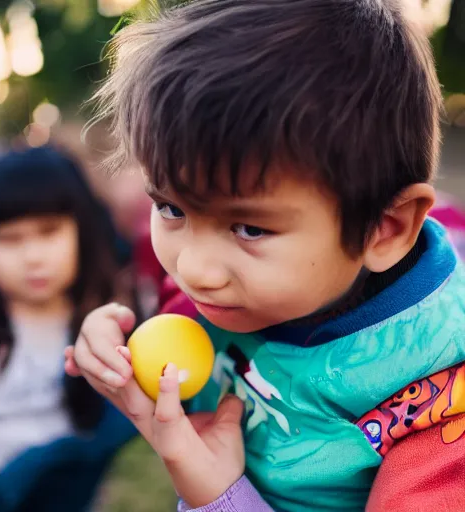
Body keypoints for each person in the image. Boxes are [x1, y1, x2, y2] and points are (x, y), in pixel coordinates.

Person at [65, 0, 465, 510]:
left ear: (384, 229)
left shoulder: (442, 406)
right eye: (169, 207)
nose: (193, 270)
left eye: (249, 228)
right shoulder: (237, 293)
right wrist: (122, 354)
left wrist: (215, 494)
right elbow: (184, 352)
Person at [0, 146, 136, 511]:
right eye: (9, 239)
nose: (33, 256)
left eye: (49, 232)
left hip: (57, 491)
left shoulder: (104, 321)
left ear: (81, 232)